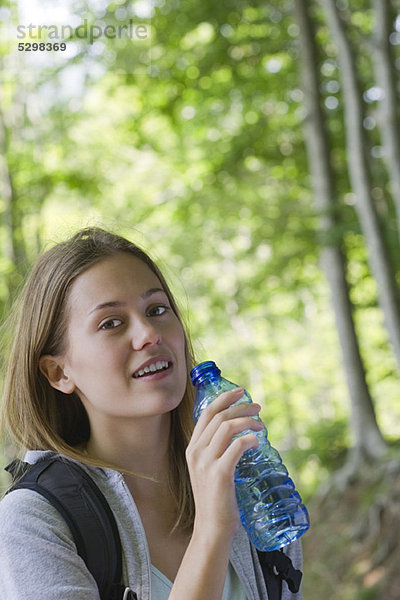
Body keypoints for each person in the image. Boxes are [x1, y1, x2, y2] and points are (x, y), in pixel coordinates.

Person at [0, 227, 303, 600]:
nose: (148, 333)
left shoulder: (245, 480)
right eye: (111, 323)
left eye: (157, 310)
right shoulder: (34, 523)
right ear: (59, 372)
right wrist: (212, 528)